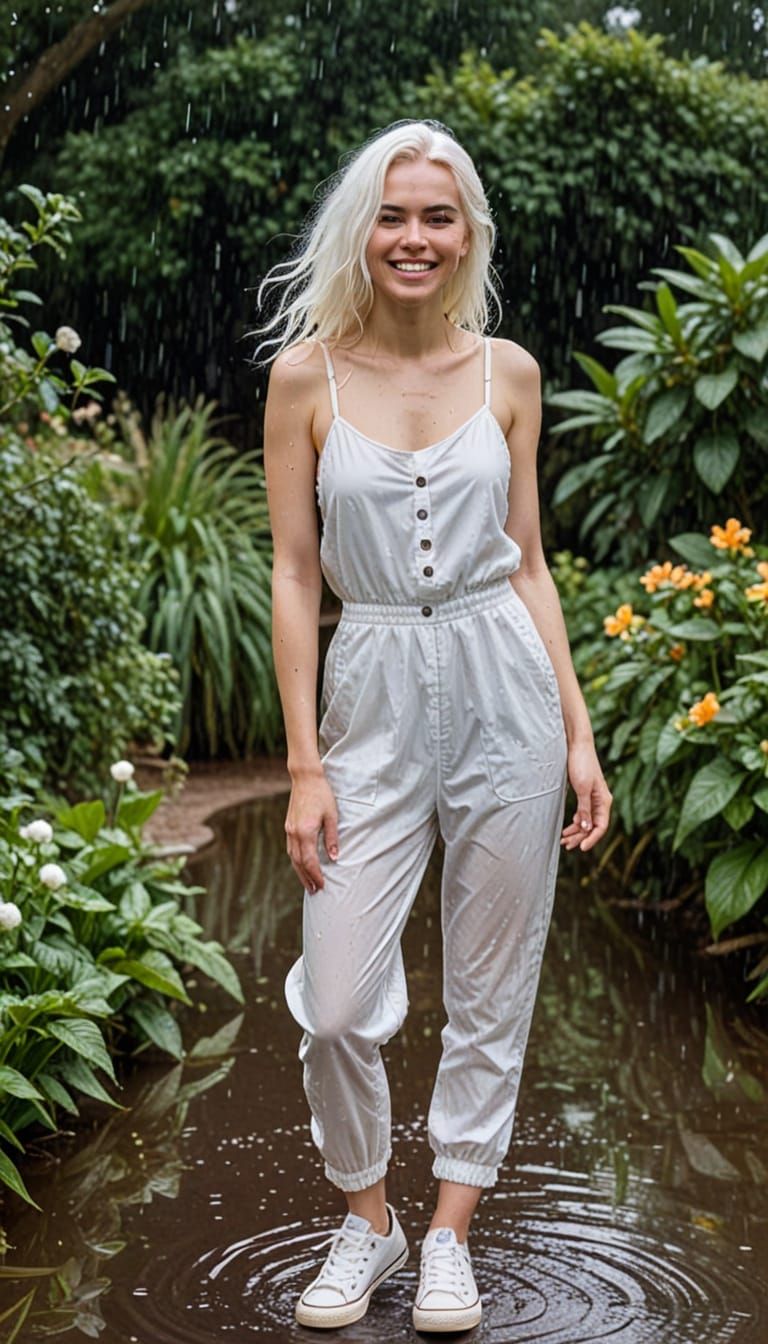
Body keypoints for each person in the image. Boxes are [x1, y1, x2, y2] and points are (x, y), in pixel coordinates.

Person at [258, 118, 612, 1334]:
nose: (415, 237)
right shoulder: (306, 377)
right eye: (395, 215)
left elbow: (530, 566)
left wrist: (575, 730)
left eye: (438, 216)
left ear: (468, 235)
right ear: (366, 228)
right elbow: (296, 575)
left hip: (503, 682)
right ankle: (367, 1220)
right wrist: (305, 763)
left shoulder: (509, 373)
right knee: (341, 1004)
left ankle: (450, 1232)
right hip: (371, 690)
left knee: (491, 986)